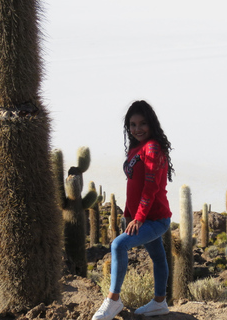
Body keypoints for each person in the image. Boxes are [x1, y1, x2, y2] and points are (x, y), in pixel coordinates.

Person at [92, 100, 174, 320]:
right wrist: (128, 214)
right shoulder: (136, 148)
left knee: (119, 244)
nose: (138, 128)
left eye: (143, 123)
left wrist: (138, 218)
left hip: (156, 219)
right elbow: (132, 186)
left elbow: (150, 187)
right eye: (133, 124)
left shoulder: (153, 148)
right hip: (141, 216)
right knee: (157, 257)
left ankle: (113, 301)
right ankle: (159, 303)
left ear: (152, 124)